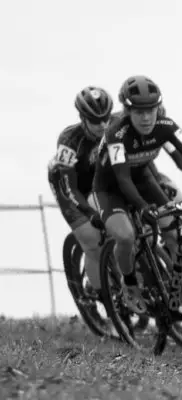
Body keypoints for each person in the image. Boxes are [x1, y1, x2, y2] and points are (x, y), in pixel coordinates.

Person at [92, 75, 182, 313]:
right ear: (127, 111)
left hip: (142, 179)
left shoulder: (166, 126)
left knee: (175, 231)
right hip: (110, 188)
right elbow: (122, 179)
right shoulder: (117, 134)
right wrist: (143, 207)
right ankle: (130, 283)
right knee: (125, 236)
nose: (146, 117)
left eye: (151, 110)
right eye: (139, 112)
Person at [48, 86, 114, 299]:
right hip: (69, 186)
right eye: (96, 121)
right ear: (83, 118)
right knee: (93, 241)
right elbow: (70, 189)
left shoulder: (116, 125)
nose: (103, 125)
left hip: (98, 182)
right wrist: (89, 212)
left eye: (106, 118)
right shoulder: (69, 140)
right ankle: (101, 296)